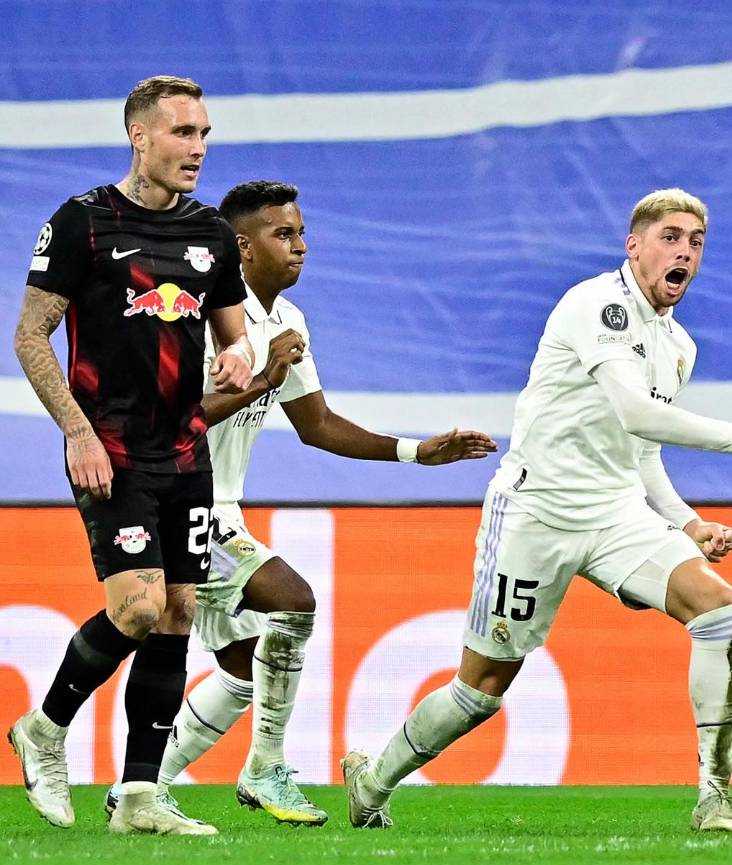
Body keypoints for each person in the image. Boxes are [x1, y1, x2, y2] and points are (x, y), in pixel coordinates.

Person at [341, 188, 732, 833]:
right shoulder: (595, 305)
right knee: (479, 692)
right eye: (670, 237)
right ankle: (374, 778)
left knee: (717, 607)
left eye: (696, 243)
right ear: (633, 245)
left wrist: (686, 522)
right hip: (535, 514)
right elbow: (637, 411)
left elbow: (640, 451)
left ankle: (715, 793)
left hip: (615, 515)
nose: (685, 253)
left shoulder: (677, 346)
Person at [101, 180, 498, 827]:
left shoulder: (286, 323)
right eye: (282, 234)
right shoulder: (192, 316)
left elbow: (316, 425)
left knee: (239, 669)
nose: (299, 246)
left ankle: (140, 788)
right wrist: (263, 376)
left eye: (301, 232)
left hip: (217, 505)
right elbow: (166, 424)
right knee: (291, 599)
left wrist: (415, 452)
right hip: (171, 499)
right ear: (239, 247)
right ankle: (264, 768)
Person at [8, 75, 254, 836]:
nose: (198, 149)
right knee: (139, 605)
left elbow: (233, 331)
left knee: (179, 614)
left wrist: (242, 355)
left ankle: (140, 797)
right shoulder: (83, 221)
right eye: (183, 133)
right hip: (108, 449)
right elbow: (29, 335)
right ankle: (44, 731)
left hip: (185, 449)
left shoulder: (211, 233)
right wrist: (76, 432)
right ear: (139, 137)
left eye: (205, 134)